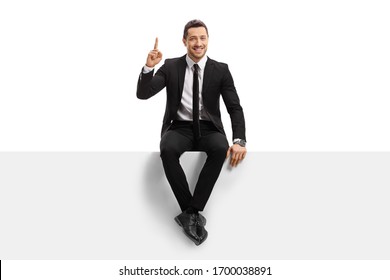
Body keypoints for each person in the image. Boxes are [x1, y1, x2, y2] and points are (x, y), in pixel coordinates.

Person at [136, 19, 247, 245]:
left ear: (208, 40)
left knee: (219, 148)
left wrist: (239, 140)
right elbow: (143, 93)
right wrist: (149, 67)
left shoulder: (221, 70)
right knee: (167, 149)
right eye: (193, 38)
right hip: (180, 127)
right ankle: (192, 213)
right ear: (184, 41)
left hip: (209, 127)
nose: (198, 43)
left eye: (202, 38)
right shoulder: (170, 67)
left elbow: (234, 107)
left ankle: (191, 212)